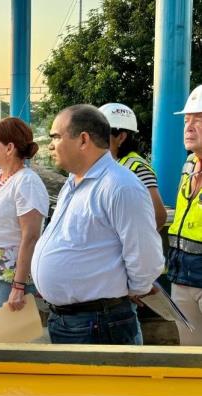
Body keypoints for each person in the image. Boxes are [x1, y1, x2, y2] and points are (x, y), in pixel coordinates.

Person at [31, 104, 164, 345]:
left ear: (83, 139)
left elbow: (145, 256)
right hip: (69, 320)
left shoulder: (120, 186)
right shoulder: (74, 182)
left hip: (99, 323)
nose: (50, 145)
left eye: (57, 137)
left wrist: (130, 291)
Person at [0, 117, 48, 314]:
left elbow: (30, 236)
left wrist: (19, 285)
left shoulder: (27, 182)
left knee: (4, 341)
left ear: (9, 148)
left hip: (10, 277)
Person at [167, 84, 202, 345]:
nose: (189, 127)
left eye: (198, 120)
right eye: (187, 120)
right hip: (181, 274)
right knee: (189, 356)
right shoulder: (189, 163)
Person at [99, 103, 167, 229]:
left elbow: (159, 216)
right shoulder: (110, 163)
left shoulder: (137, 168)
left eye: (101, 134)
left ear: (121, 137)